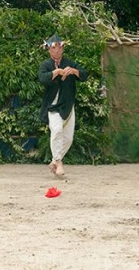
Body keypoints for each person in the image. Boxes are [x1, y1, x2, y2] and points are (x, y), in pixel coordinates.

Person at [38, 34, 88, 177]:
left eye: (60, 47)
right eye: (55, 48)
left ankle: (54, 161)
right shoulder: (45, 65)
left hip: (67, 104)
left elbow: (85, 75)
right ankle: (59, 162)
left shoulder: (69, 62)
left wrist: (74, 71)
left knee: (68, 138)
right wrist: (56, 72)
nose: (58, 50)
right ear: (49, 50)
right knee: (56, 130)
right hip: (53, 105)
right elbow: (43, 78)